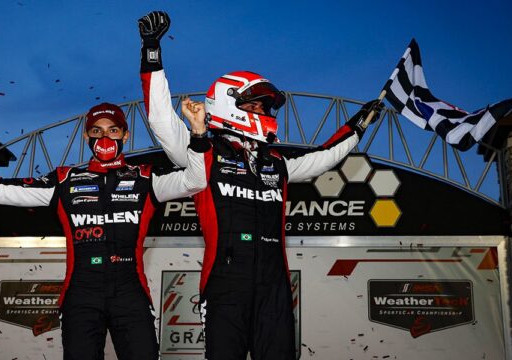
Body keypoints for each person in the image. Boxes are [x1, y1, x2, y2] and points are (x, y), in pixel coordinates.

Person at [138, 11, 384, 360]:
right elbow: (161, 119)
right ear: (227, 104)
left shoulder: (276, 163)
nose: (263, 110)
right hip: (225, 285)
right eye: (254, 103)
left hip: (273, 285)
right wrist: (151, 53)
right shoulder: (201, 153)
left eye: (264, 105)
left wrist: (356, 127)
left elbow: (323, 158)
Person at [0, 101, 212, 360]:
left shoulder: (145, 178)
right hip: (81, 293)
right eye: (97, 131)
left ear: (126, 136)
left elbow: (196, 180)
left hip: (130, 292)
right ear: (86, 137)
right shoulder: (64, 181)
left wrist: (198, 133)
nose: (105, 137)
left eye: (113, 130)